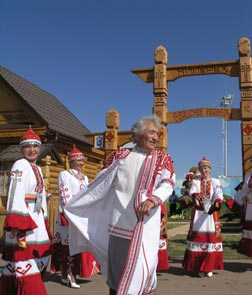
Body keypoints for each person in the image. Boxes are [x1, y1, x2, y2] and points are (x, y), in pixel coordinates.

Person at [64, 114, 175, 295]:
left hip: (146, 226)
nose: (156, 137)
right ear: (138, 133)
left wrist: (153, 199)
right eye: (152, 132)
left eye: (158, 133)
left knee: (144, 270)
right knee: (119, 272)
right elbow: (101, 183)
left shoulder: (162, 159)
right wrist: (79, 204)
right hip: (119, 224)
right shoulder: (121, 155)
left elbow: (168, 183)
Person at [0, 126, 52, 294]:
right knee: (25, 262)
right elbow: (15, 193)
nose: (32, 150)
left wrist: (44, 220)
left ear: (40, 147)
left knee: (41, 255)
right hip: (24, 222)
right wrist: (18, 223)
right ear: (21, 149)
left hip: (36, 219)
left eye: (35, 146)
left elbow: (40, 197)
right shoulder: (20, 164)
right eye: (27, 146)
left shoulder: (36, 168)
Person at [50, 145, 100, 288]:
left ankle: (74, 272)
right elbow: (64, 194)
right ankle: (67, 274)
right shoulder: (64, 175)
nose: (80, 163)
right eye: (77, 160)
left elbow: (87, 196)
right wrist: (69, 213)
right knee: (67, 246)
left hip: (81, 216)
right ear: (71, 161)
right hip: (68, 215)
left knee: (78, 246)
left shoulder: (85, 177)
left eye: (82, 160)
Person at [182, 157, 224, 278]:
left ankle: (209, 267)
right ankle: (199, 267)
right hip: (199, 214)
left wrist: (217, 201)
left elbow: (219, 194)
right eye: (201, 168)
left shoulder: (216, 181)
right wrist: (195, 194)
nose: (203, 170)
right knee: (198, 239)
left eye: (205, 168)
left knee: (210, 240)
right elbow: (192, 192)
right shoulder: (196, 182)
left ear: (210, 170)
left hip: (211, 213)